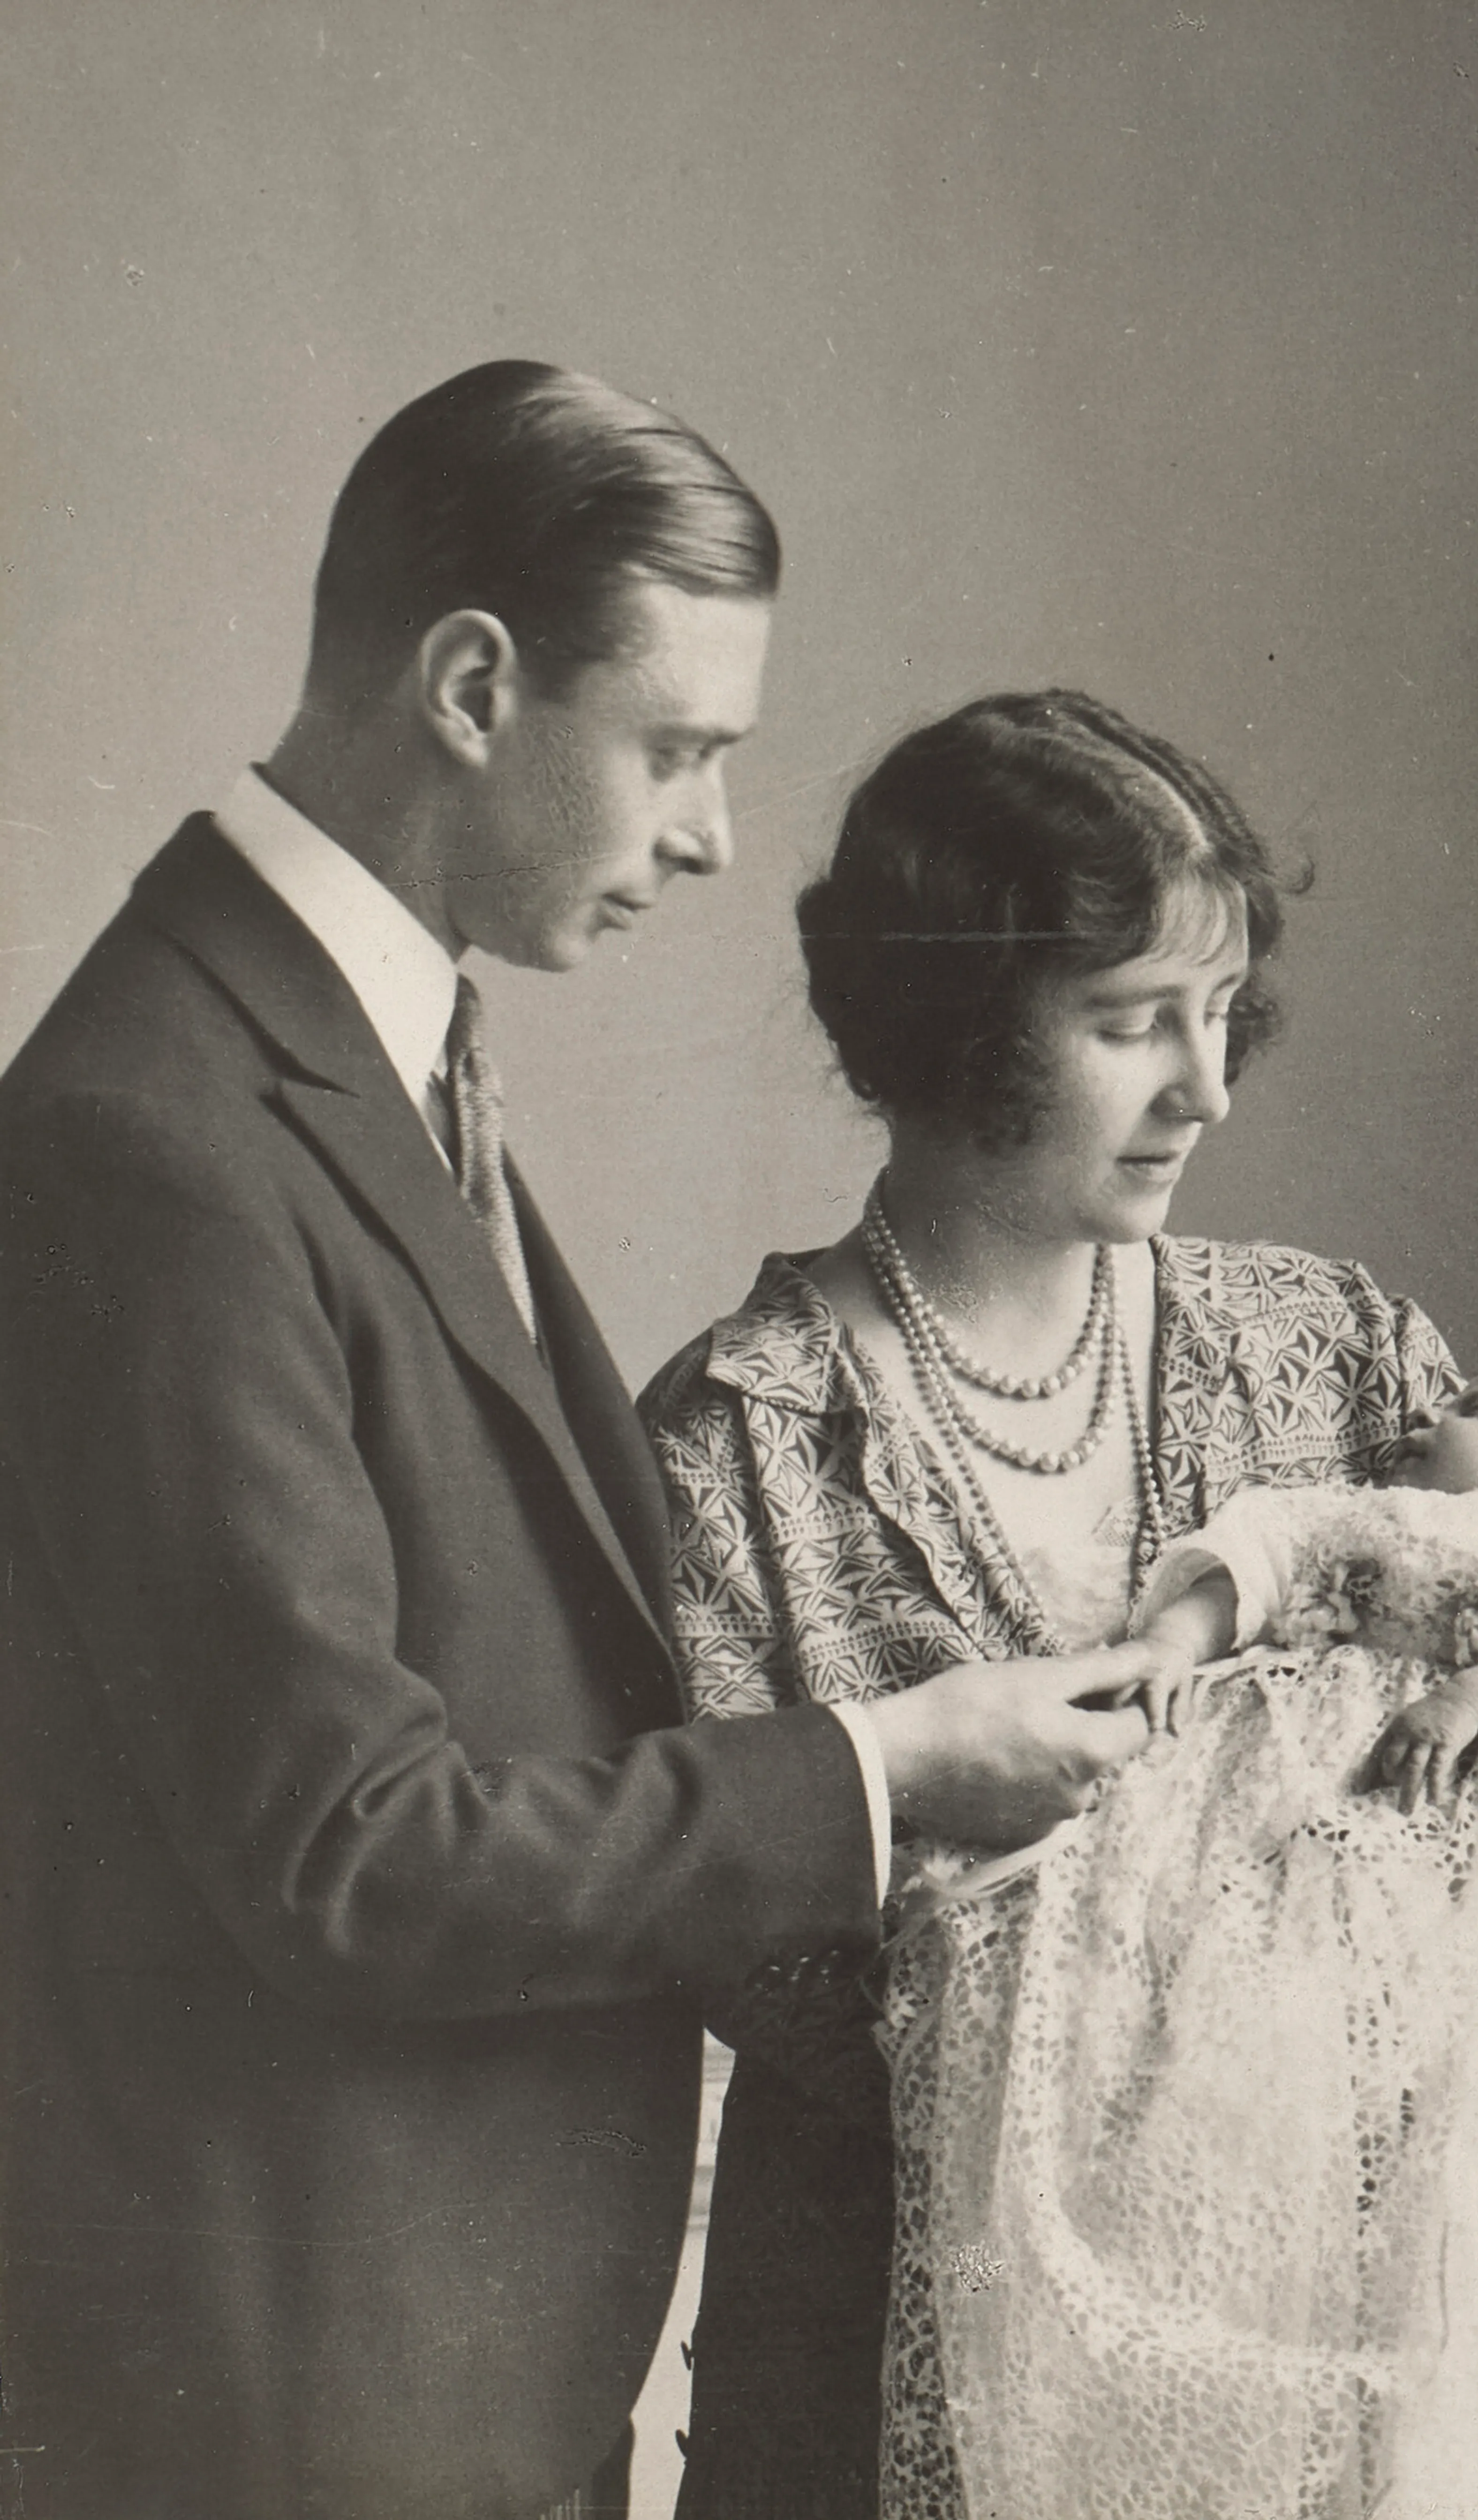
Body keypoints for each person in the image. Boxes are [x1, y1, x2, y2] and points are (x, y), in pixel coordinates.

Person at [0, 371, 1152, 2520]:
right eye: (678, 749)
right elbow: (349, 1851)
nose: (710, 833)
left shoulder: (354, 1055)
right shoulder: (156, 1129)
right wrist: (882, 1769)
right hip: (299, 2412)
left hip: (445, 2375)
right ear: (469, 686)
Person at [641, 688, 1470, 2519]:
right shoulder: (737, 1446)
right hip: (886, 2372)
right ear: (954, 1025)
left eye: (1220, 1008)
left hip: (1306, 2367)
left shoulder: (1342, 1353)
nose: (1208, 1086)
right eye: (1130, 1020)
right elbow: (750, 1952)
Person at [883, 1363, 1478, 2519]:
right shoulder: (1361, 1514)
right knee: (1103, 2038)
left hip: (1403, 1849)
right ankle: (1029, 2270)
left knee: (1383, 2173)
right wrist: (1176, 1643)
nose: (1424, 1411)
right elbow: (1257, 1559)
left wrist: (1476, 1697)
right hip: (1233, 1822)